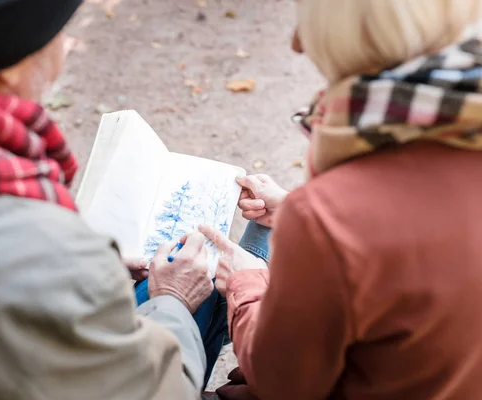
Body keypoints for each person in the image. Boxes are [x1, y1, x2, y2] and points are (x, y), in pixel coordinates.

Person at [0, 1, 217, 399]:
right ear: (8, 66)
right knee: (213, 287)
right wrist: (174, 302)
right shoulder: (43, 252)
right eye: (59, 34)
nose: (66, 45)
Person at [205, 0, 482, 399]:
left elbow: (283, 381)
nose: (298, 44)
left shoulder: (333, 217)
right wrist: (297, 215)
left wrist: (246, 284)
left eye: (307, 23)